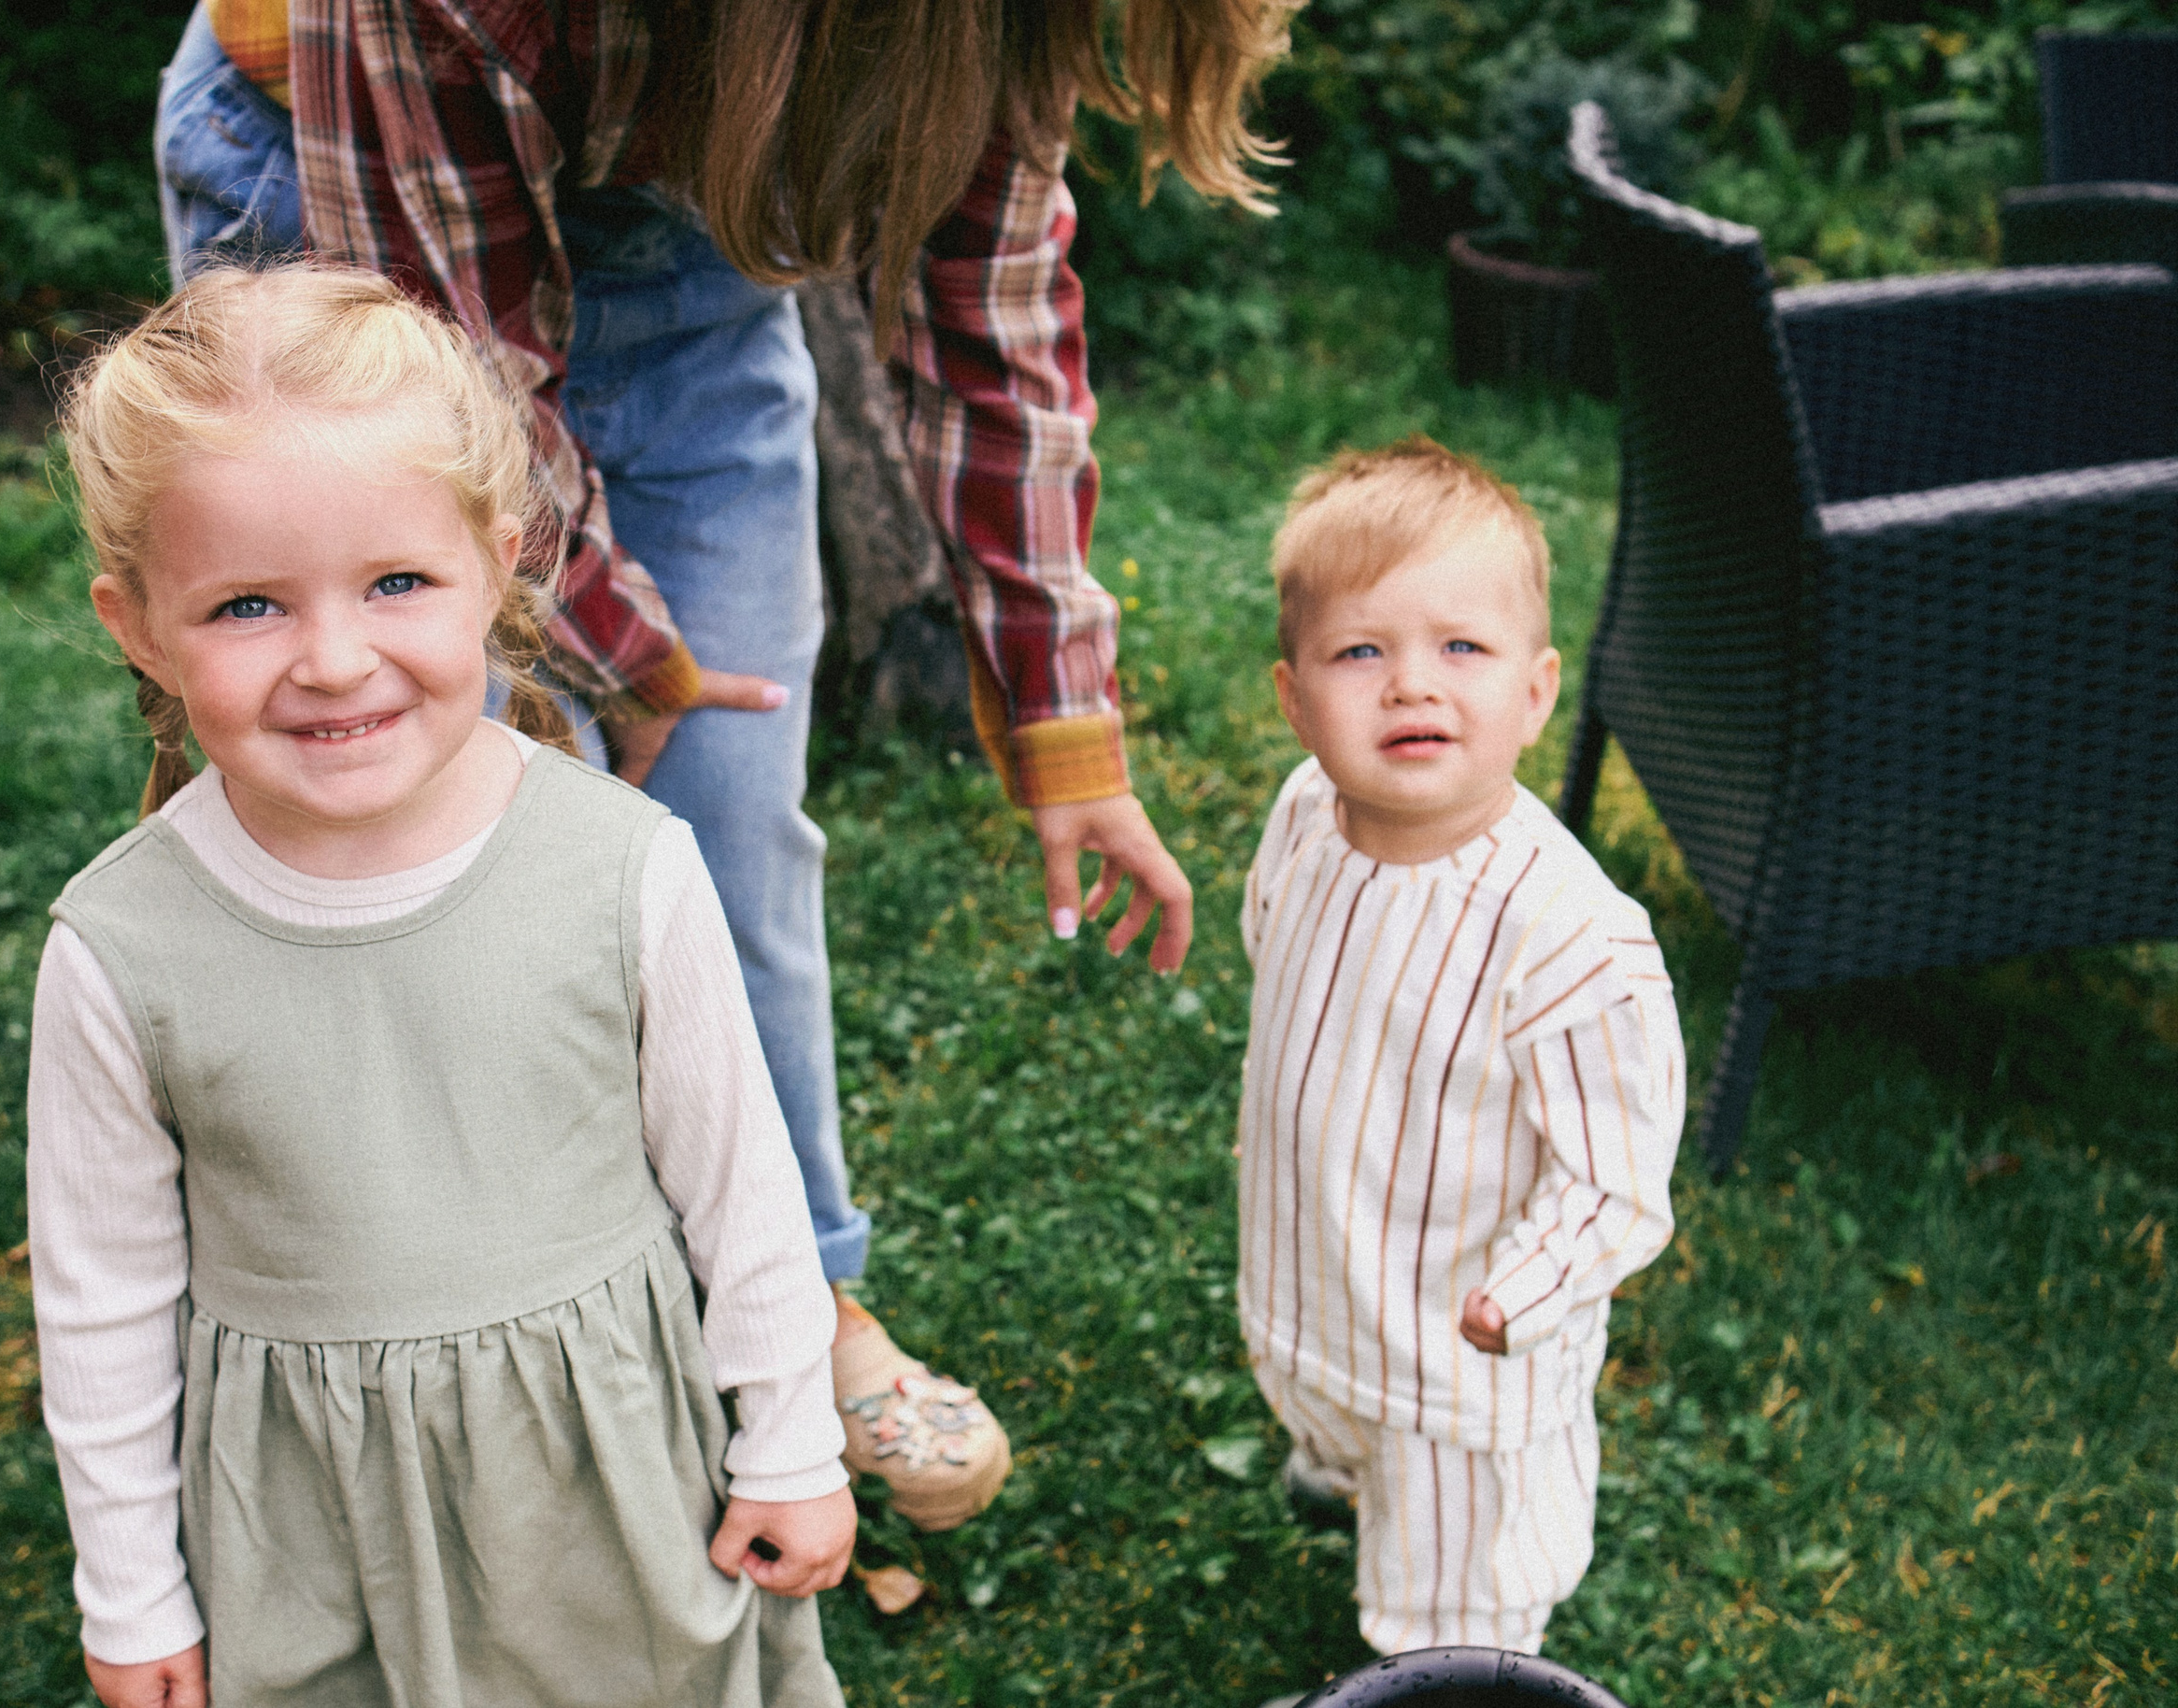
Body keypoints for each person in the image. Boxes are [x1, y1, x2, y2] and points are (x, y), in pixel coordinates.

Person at [148, 0, 1294, 1529]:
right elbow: (453, 378)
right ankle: (398, 1353)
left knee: (730, 821)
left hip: (701, 236)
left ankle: (798, 1301)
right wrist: (615, 646)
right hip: (342, 213)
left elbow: (993, 323)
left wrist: (1061, 721)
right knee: (401, 835)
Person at [29, 264, 854, 1708]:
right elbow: (100, 1300)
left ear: (499, 556)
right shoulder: (121, 948)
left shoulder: (622, 867)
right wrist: (133, 1586)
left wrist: (790, 1440)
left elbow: (741, 1187)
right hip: (310, 1523)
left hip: (608, 1484)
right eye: (245, 607)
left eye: (396, 582)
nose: (334, 660)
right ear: (138, 626)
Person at [1235, 439, 1685, 1675]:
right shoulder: (1303, 821)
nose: (1410, 686)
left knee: (1447, 1601)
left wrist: (1520, 1297)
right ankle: (1337, 1462)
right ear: (1294, 695)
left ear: (1538, 693)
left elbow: (1615, 1178)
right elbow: (1281, 957)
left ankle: (1442, 1659)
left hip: (1458, 1360)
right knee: (1324, 1394)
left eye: (1462, 649)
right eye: (1360, 651)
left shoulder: (1571, 940)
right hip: (1315, 1272)